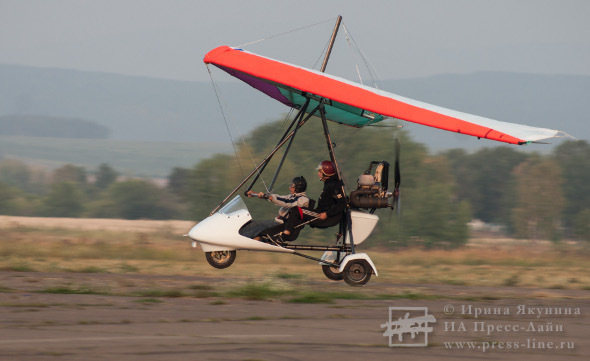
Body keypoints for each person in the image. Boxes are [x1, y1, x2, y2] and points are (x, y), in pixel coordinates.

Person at [260, 160, 346, 242]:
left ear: (327, 173)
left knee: (296, 210)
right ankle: (276, 233)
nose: (318, 174)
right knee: (298, 213)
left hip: (325, 217)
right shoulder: (329, 182)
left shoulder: (334, 185)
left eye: (320, 172)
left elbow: (342, 204)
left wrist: (327, 214)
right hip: (321, 213)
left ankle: (284, 236)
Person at [238, 176, 309, 239]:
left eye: (292, 186)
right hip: (278, 223)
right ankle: (242, 236)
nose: (289, 187)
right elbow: (279, 198)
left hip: (282, 226)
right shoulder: (293, 197)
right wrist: (256, 194)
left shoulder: (303, 199)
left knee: (254, 225)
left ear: (298, 188)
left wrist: (270, 197)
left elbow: (287, 202)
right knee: (251, 223)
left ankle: (239, 238)